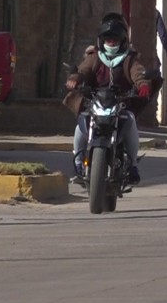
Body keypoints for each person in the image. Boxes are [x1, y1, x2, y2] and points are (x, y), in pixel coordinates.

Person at [63, 12, 152, 184]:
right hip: (96, 101)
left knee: (131, 120)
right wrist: (75, 79)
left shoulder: (129, 59)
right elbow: (83, 71)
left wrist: (143, 85)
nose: (111, 41)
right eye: (108, 38)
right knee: (82, 121)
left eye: (115, 38)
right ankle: (78, 159)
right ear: (101, 39)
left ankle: (132, 164)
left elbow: (138, 73)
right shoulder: (94, 57)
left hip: (121, 104)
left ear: (123, 40)